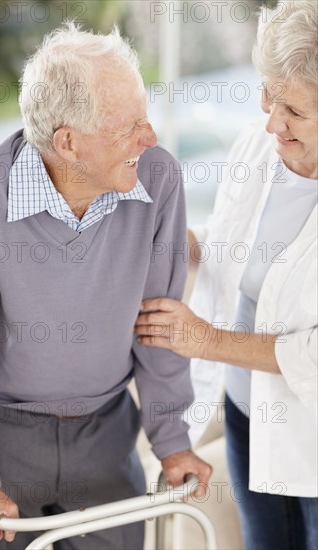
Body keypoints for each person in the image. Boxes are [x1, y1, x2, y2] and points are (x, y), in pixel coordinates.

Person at [0, 22, 212, 549]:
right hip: (1, 436)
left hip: (107, 434)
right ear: (68, 143)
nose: (150, 137)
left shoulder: (157, 178)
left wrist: (173, 440)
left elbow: (158, 320)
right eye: (129, 125)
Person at [135, 1, 318, 549]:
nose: (270, 120)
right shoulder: (261, 146)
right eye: (267, 93)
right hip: (246, 415)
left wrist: (206, 340)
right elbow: (230, 239)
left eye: (292, 108)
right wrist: (174, 245)